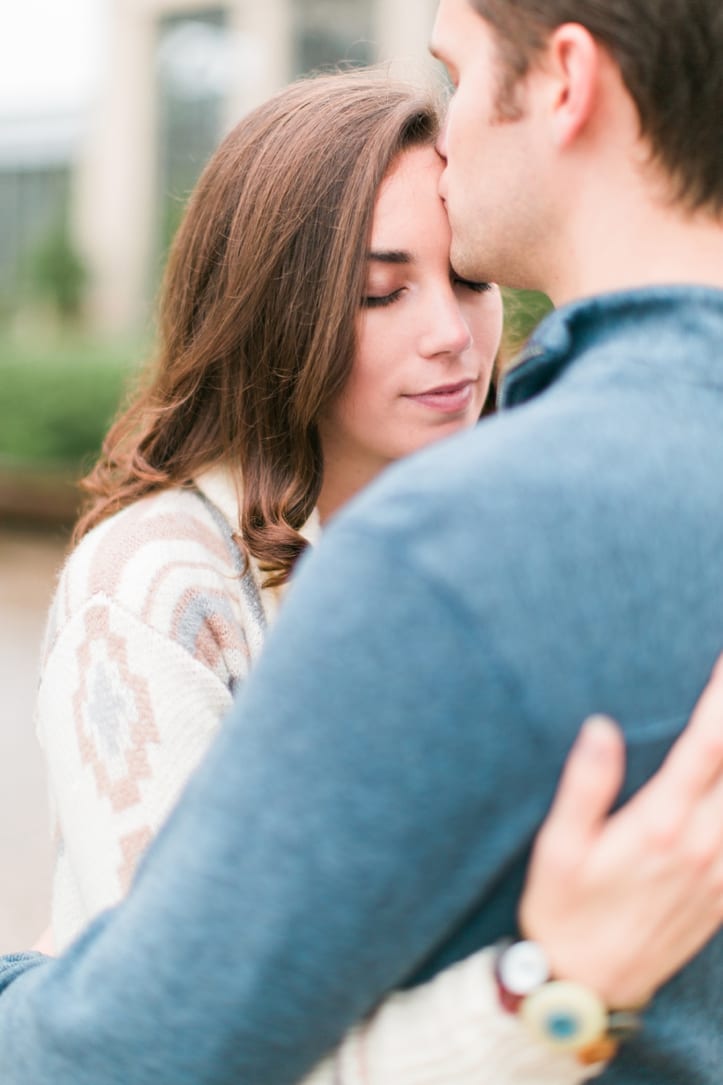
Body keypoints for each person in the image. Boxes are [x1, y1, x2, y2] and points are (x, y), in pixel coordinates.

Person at [1, 1, 723, 1081]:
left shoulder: (494, 532)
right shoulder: (161, 580)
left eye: (471, 280)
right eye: (381, 291)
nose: (450, 334)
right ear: (272, 309)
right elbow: (170, 1042)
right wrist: (559, 988)